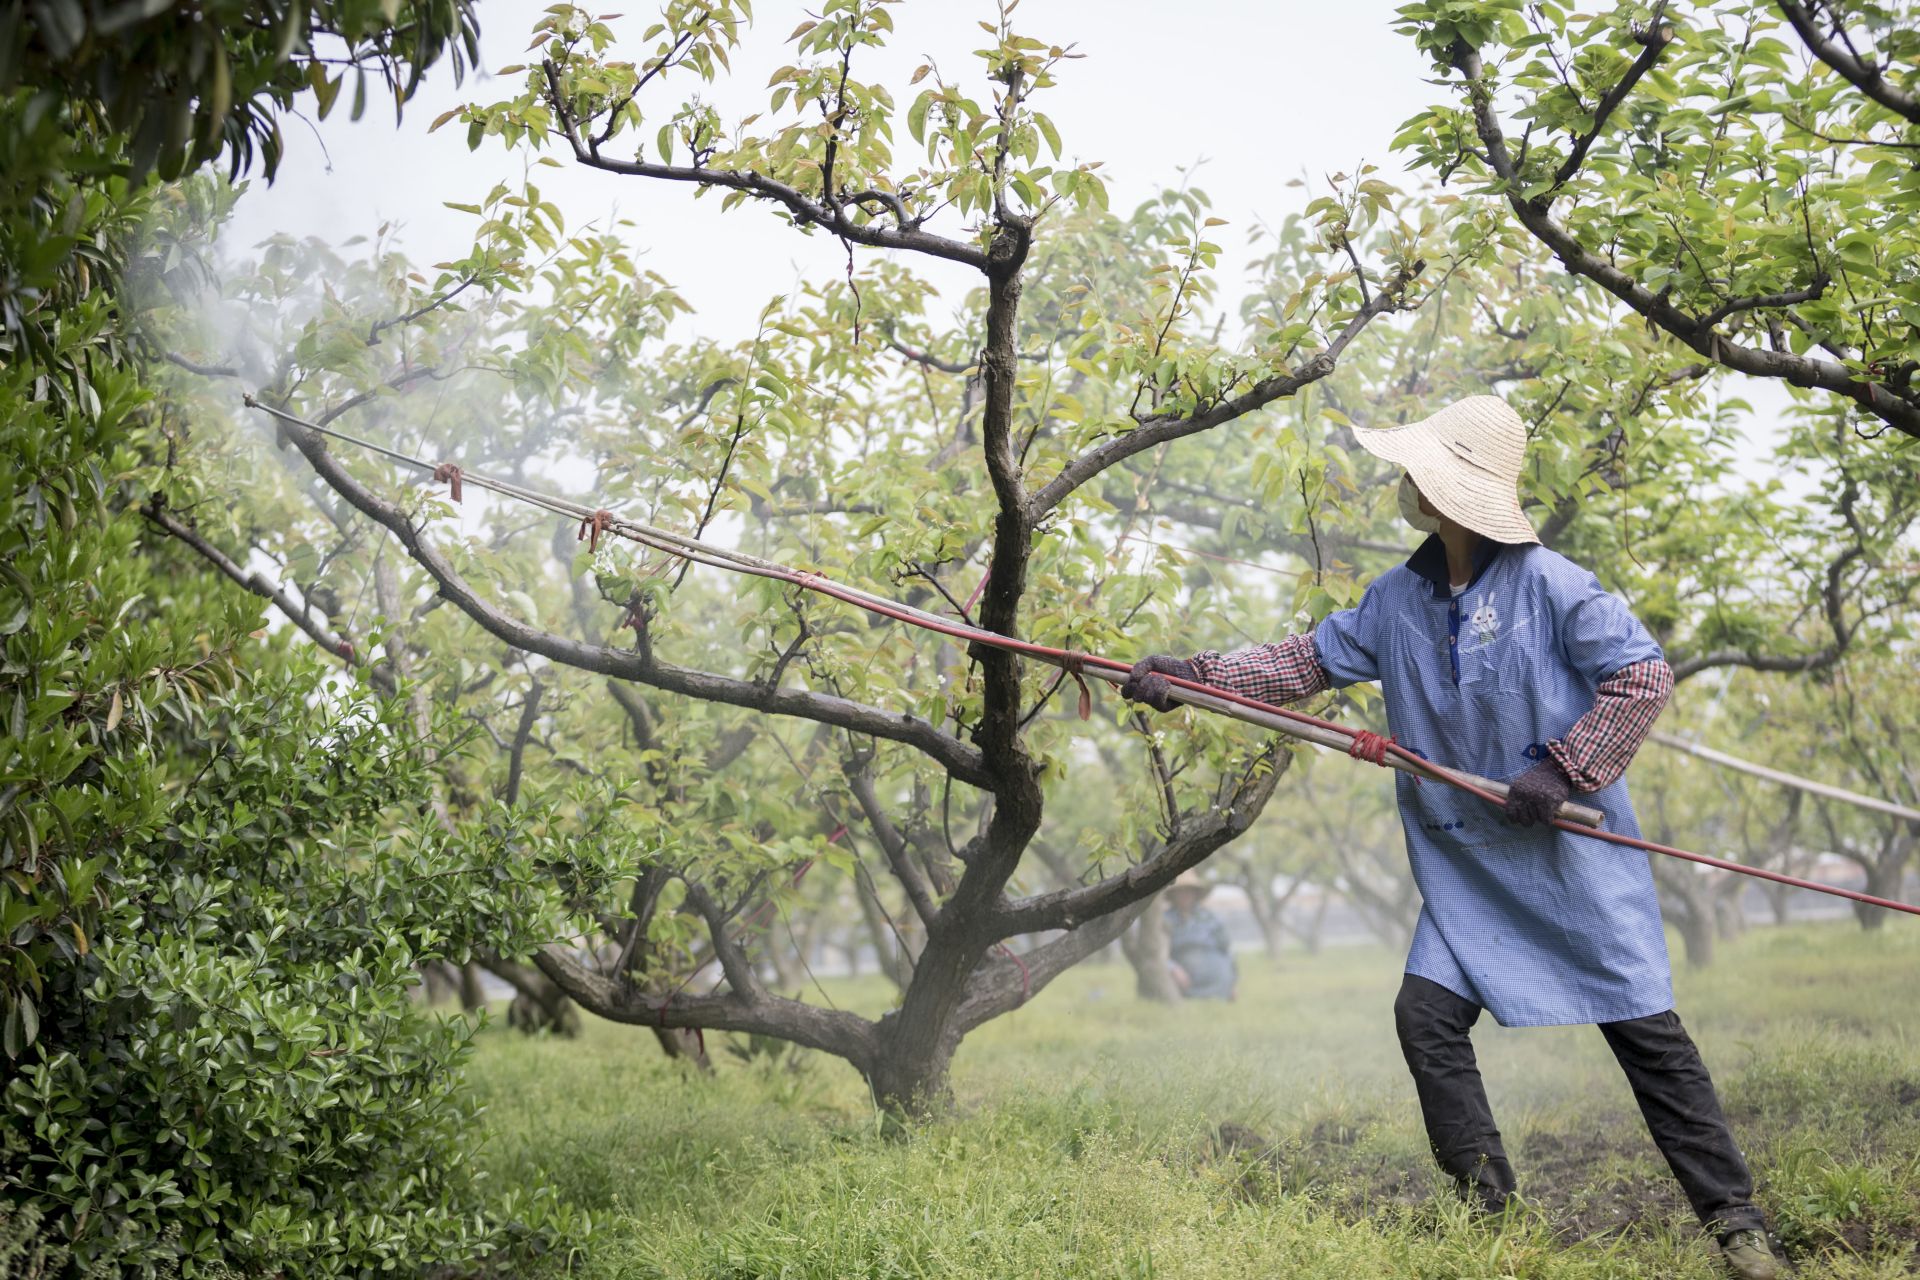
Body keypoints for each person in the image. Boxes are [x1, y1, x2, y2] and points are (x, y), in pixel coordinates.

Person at [1120, 396, 1780, 1280]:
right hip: (1466, 862)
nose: (1402, 482)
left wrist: (1562, 769)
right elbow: (1305, 661)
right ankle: (1491, 1212)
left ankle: (1735, 1224)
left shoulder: (1553, 585)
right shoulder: (1395, 599)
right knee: (1425, 1018)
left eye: (1416, 468)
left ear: (1448, 490)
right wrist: (1196, 677)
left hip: (1566, 854)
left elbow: (1641, 677)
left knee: (1648, 1036)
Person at [1164, 870, 1237, 1001]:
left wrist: (1232, 982)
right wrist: (1173, 968)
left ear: (1195, 893)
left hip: (1218, 981)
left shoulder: (1210, 918)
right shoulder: (1165, 920)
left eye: (1188, 891)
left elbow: (1227, 950)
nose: (1185, 895)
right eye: (1181, 891)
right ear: (1173, 895)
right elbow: (1156, 953)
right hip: (1184, 982)